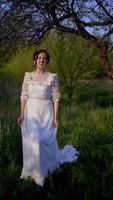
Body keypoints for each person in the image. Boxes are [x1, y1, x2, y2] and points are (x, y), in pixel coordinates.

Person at [17, 49, 79, 187]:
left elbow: (56, 99)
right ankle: (33, 172)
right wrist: (21, 114)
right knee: (33, 142)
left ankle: (46, 170)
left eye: (44, 58)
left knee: (44, 141)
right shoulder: (28, 76)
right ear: (35, 60)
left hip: (46, 112)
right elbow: (24, 96)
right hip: (31, 112)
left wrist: (56, 118)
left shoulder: (52, 77)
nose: (41, 60)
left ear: (47, 61)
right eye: (39, 58)